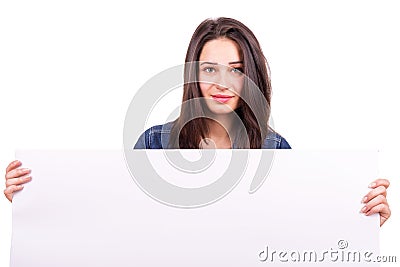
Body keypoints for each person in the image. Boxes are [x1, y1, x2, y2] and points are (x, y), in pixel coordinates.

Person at [4, 17, 391, 226]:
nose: (222, 83)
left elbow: (298, 230)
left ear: (252, 78)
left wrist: (359, 219)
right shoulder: (154, 144)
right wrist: (35, 197)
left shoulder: (276, 151)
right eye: (210, 68)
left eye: (236, 70)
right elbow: (110, 217)